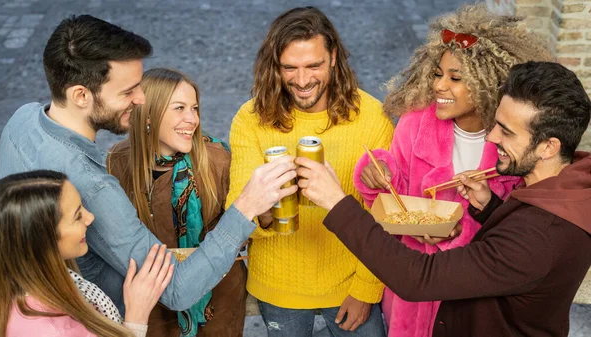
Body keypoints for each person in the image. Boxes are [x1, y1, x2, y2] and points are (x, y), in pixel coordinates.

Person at [0, 14, 298, 317]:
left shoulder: (22, 119)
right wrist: (246, 207)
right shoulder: (92, 187)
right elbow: (176, 289)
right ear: (80, 95)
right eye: (128, 92)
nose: (142, 99)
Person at [297, 61, 591, 337]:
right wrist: (489, 209)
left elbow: (417, 278)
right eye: (496, 124)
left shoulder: (539, 236)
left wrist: (336, 203)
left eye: (507, 132)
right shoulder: (565, 189)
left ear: (548, 147)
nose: (492, 138)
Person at [352, 4, 553, 336]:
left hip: (473, 293)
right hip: (413, 287)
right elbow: (397, 192)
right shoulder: (415, 123)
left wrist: (464, 228)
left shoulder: (513, 144)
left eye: (455, 78)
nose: (439, 86)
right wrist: (379, 172)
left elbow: (516, 228)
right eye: (438, 74)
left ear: (489, 83)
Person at [225, 6, 393, 336]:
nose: (302, 81)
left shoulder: (373, 116)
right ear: (275, 66)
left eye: (313, 65)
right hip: (279, 283)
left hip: (351, 282)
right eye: (290, 68)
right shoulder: (250, 119)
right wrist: (270, 208)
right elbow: (238, 211)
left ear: (333, 57)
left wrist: (365, 289)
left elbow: (383, 216)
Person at [107, 68, 246, 337]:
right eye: (179, 108)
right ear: (148, 114)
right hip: (153, 303)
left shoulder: (217, 158)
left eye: (194, 108)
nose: (192, 119)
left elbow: (244, 226)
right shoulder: (118, 162)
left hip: (216, 302)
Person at [0, 170, 173, 337]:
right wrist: (137, 316)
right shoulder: (54, 331)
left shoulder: (16, 286)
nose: (90, 218)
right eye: (78, 216)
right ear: (43, 238)